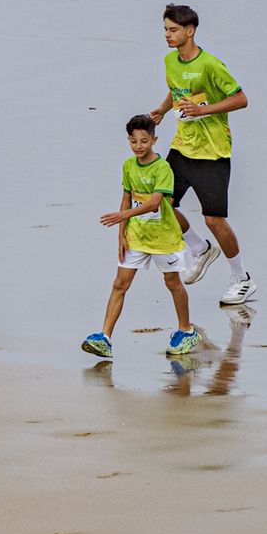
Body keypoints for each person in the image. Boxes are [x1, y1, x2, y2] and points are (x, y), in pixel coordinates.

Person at [148, 4, 254, 305]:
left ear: (190, 31)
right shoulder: (170, 60)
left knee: (214, 220)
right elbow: (177, 88)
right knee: (160, 205)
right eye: (165, 30)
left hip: (212, 152)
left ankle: (242, 279)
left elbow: (241, 99)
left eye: (173, 30)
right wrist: (163, 109)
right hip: (182, 147)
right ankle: (199, 249)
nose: (167, 35)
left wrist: (203, 110)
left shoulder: (210, 64)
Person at [81, 115, 201, 358]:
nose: (139, 146)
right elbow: (126, 197)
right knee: (120, 284)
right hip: (136, 236)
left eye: (144, 141)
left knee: (172, 283)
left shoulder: (162, 168)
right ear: (128, 140)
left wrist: (121, 214)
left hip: (164, 237)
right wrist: (121, 235)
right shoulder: (128, 166)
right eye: (134, 141)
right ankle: (104, 338)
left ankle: (185, 330)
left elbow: (155, 203)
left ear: (154, 140)